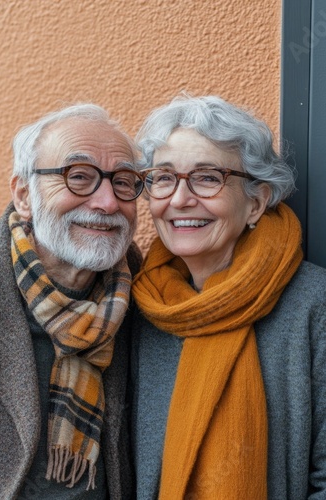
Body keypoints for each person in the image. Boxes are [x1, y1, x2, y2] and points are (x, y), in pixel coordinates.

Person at [131, 95, 326, 499]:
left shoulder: (315, 305)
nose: (180, 199)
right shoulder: (140, 305)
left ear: (255, 202)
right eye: (164, 178)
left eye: (207, 177)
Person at [0, 103, 144, 499]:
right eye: (78, 177)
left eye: (123, 182)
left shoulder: (146, 297)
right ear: (24, 195)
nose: (107, 203)